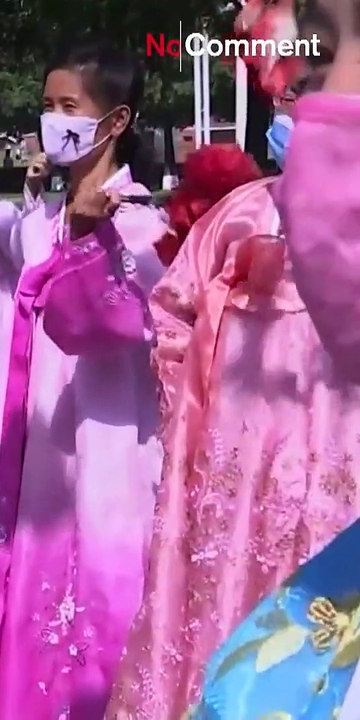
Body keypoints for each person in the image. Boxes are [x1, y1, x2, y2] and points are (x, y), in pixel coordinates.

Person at [0, 40, 167, 718]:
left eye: (70, 108)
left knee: (93, 593)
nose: (53, 121)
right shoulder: (39, 223)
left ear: (117, 120)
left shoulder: (142, 226)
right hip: (29, 439)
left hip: (102, 442)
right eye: (47, 107)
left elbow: (115, 326)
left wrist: (96, 247)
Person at [105, 133, 360, 715]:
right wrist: (192, 422)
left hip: (340, 463)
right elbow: (172, 312)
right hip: (242, 459)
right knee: (226, 599)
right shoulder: (241, 213)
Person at [181, 3, 360, 715]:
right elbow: (176, 318)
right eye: (319, 60)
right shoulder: (241, 213)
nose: (323, 98)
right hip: (251, 427)